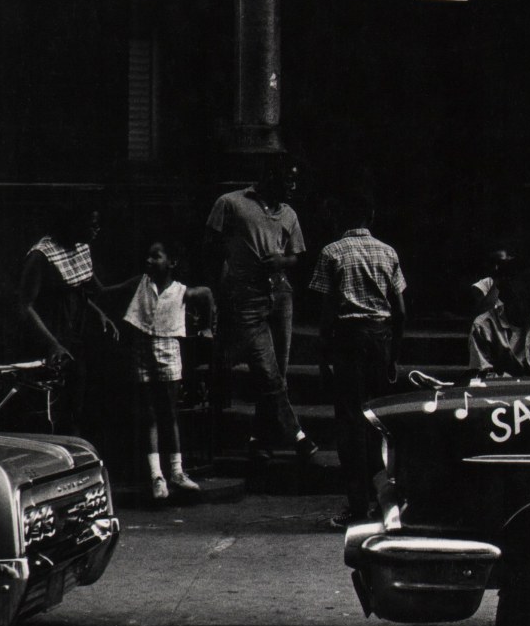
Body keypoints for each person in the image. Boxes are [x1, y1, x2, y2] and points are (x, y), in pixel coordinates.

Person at [204, 154, 316, 463]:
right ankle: (297, 434)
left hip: (281, 294)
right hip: (245, 295)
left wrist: (283, 261)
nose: (292, 186)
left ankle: (259, 440)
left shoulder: (289, 214)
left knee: (278, 371)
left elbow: (297, 256)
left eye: (296, 180)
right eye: (287, 179)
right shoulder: (230, 203)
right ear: (270, 177)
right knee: (267, 371)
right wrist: (220, 290)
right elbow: (209, 248)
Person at [308, 192, 407, 529]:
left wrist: (323, 355)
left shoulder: (332, 252)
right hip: (380, 336)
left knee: (350, 421)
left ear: (338, 219)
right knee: (378, 420)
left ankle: (356, 504)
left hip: (348, 339)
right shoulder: (388, 252)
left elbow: (327, 310)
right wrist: (394, 353)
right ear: (372, 217)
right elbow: (401, 310)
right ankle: (384, 502)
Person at [117, 240, 216, 500]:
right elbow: (108, 291)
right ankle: (156, 475)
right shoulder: (140, 283)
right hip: (141, 349)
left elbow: (206, 295)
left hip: (168, 348)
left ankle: (176, 471)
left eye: (156, 257)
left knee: (169, 412)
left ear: (171, 262)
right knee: (148, 412)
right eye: (148, 257)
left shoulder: (182, 291)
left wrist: (207, 328)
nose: (149, 261)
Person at [17, 200, 120, 433]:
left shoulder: (80, 247)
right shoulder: (42, 255)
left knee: (78, 405)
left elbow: (78, 290)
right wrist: (52, 344)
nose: (97, 229)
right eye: (91, 224)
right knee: (57, 408)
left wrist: (100, 314)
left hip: (76, 334)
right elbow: (25, 306)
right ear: (73, 224)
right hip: (52, 335)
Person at [467, 247, 515, 317]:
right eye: (493, 262)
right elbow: (483, 312)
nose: (496, 267)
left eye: (501, 263)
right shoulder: (481, 286)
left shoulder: (518, 282)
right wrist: (498, 280)